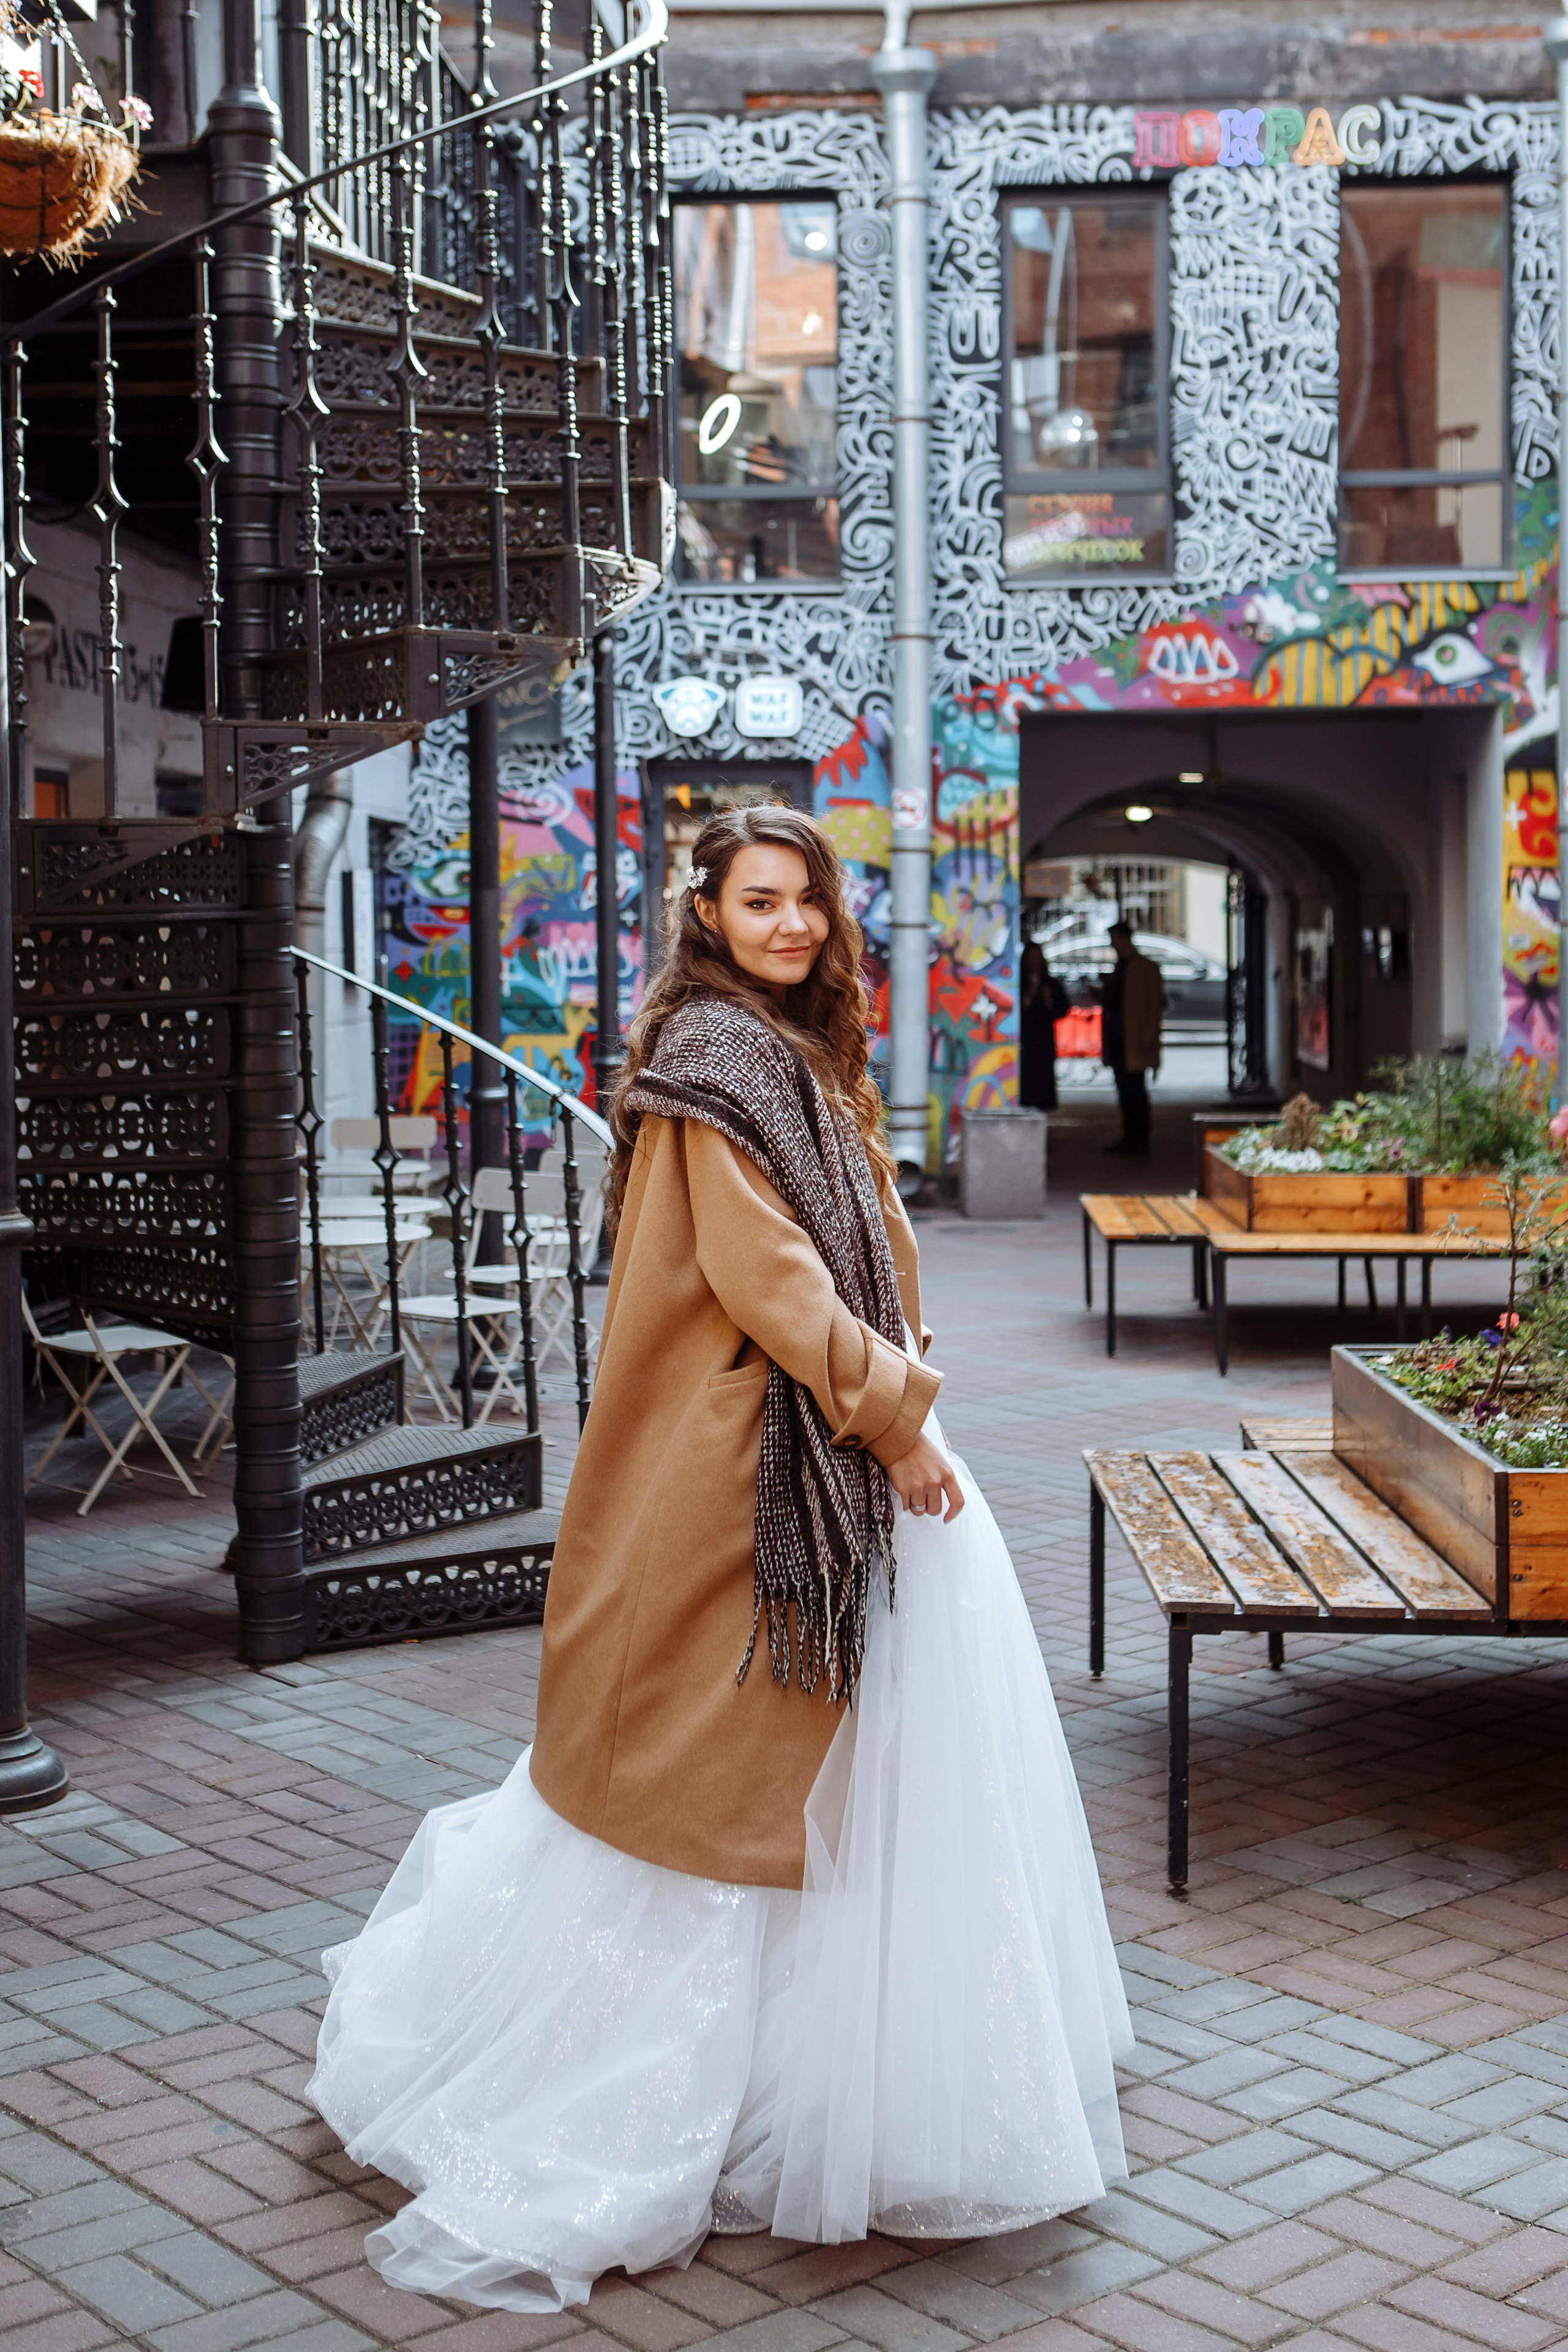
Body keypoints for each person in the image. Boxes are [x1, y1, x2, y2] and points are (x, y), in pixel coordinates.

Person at [307, 807, 1132, 2312]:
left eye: (807, 899)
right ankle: (702, 2086)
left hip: (809, 1430)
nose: (790, 924)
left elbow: (837, 1244)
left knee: (822, 1771)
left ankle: (806, 2072)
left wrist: (886, 1384)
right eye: (760, 901)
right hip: (760, 1454)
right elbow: (767, 1277)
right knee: (737, 1764)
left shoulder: (782, 1048)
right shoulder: (718, 1060)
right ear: (706, 913)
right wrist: (890, 1417)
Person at [1096, 919, 1164, 1155]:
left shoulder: (1146, 968)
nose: (1112, 944)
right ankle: (1129, 1137)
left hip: (1135, 1041)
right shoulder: (1120, 967)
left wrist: (1148, 1036)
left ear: (1124, 939)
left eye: (1114, 939)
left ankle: (1140, 1138)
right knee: (1124, 1091)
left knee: (1136, 1091)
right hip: (1119, 1039)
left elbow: (1154, 1006)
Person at [1019, 940, 1071, 1111]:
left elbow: (1062, 1010)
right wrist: (1029, 996)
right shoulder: (1019, 982)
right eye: (1031, 957)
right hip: (1025, 1041)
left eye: (1037, 957)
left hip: (1044, 1040)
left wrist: (1048, 1000)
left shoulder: (1050, 983)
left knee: (1043, 1080)